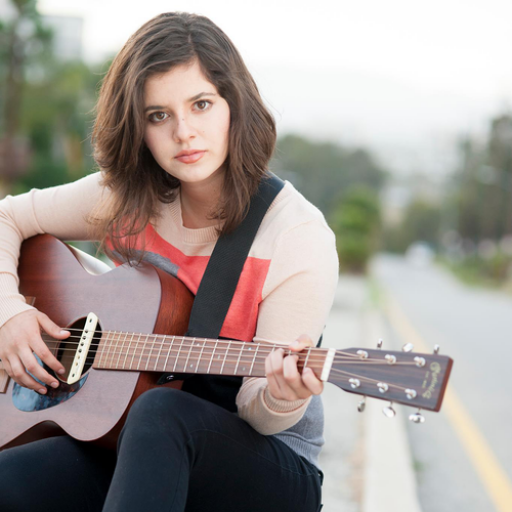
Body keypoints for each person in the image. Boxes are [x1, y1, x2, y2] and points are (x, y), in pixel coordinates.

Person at [0, 11, 338, 512]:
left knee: (161, 413)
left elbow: (259, 414)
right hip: (126, 439)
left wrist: (284, 393)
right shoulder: (128, 197)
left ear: (234, 104)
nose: (184, 132)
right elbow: (7, 216)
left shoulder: (295, 235)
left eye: (201, 104)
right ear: (137, 127)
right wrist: (10, 313)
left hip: (263, 462)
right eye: (158, 115)